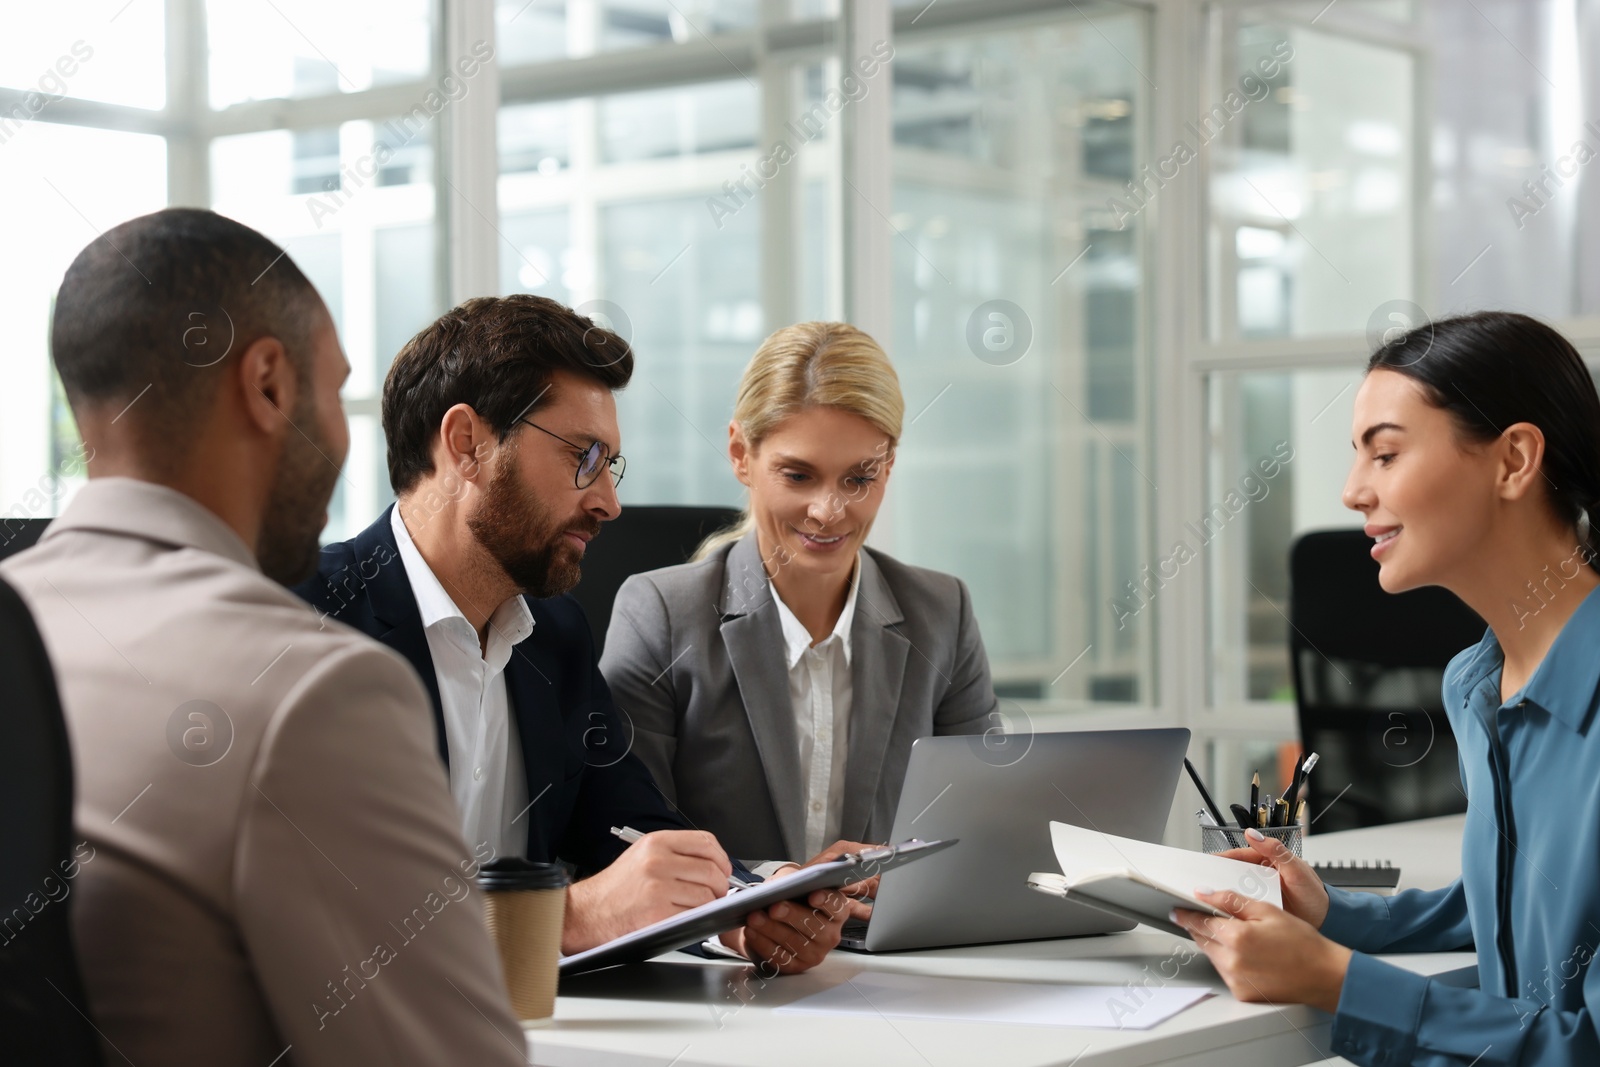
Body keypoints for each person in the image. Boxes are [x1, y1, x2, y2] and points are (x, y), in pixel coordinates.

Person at [1, 208, 528, 1065]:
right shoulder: (312, 692)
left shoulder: (18, 619)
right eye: (337, 389)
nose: (346, 438)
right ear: (269, 384)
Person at [295, 295, 845, 968]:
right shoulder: (306, 616)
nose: (608, 502)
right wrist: (565, 917)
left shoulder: (555, 637)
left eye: (609, 464)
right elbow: (316, 900)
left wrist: (743, 905)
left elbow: (630, 828)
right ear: (468, 444)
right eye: (583, 457)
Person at [1171, 311, 1600, 1065]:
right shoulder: (1479, 683)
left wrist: (1341, 980)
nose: (1352, 492)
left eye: (1387, 454)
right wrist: (1330, 913)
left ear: (1513, 460)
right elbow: (1521, 904)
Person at [599, 321, 1000, 875]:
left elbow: (982, 828)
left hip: (892, 952)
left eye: (859, 478)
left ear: (889, 464)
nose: (829, 511)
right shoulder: (661, 616)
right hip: (723, 954)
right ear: (741, 454)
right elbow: (624, 840)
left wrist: (904, 882)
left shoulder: (942, 612)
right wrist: (771, 886)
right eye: (799, 475)